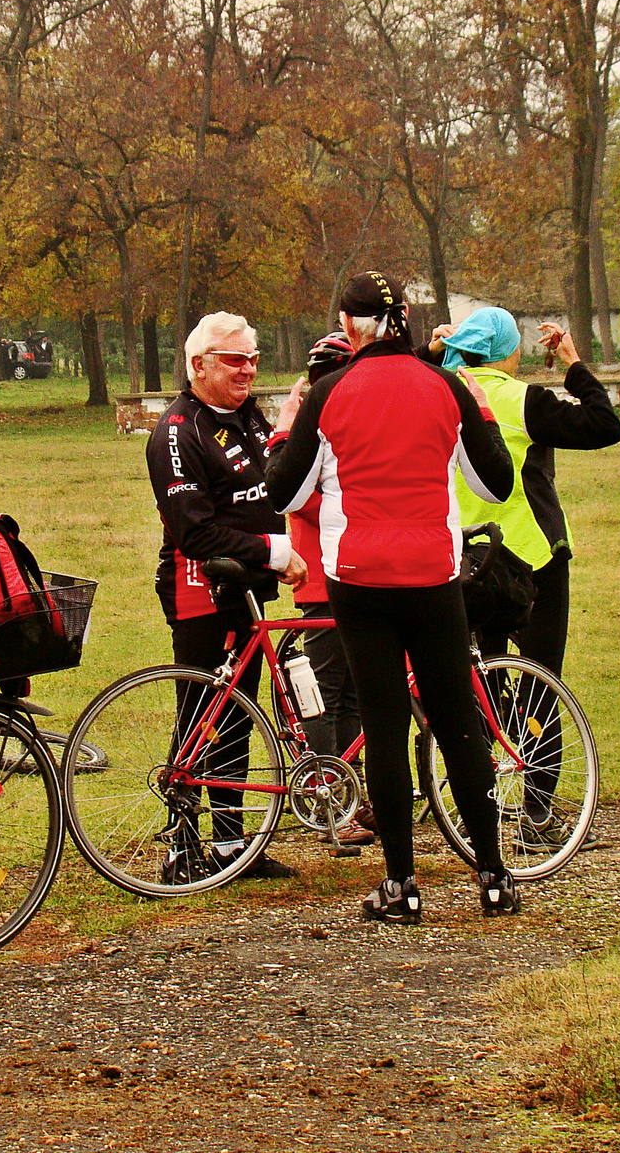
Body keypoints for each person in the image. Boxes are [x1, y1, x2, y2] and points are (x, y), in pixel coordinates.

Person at [266, 271, 520, 923]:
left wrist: (290, 429)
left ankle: (401, 885)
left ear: (348, 326)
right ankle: (493, 875)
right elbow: (495, 484)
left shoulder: (329, 393)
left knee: (384, 728)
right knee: (458, 723)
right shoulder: (446, 386)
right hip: (434, 576)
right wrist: (476, 416)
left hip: (359, 578)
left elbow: (285, 494)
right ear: (406, 315)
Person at [433, 308, 620, 848]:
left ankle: (481, 809)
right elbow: (605, 426)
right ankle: (539, 813)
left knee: (478, 684)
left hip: (462, 559)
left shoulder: (441, 390)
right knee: (541, 683)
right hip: (531, 559)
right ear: (509, 351)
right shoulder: (522, 399)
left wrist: (433, 354)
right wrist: (573, 363)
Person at [146, 311, 308, 880]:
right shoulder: (176, 431)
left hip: (246, 586)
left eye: (253, 358)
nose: (248, 369)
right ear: (199, 364)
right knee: (201, 716)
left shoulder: (246, 414)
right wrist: (273, 550)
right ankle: (181, 848)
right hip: (200, 586)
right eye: (235, 359)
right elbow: (193, 530)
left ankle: (231, 845)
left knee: (240, 715)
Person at [288, 331, 373, 846]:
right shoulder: (311, 421)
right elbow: (297, 497)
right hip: (323, 577)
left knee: (353, 697)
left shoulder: (327, 415)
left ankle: (351, 796)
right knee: (326, 697)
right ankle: (332, 802)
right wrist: (351, 506)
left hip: (342, 573)